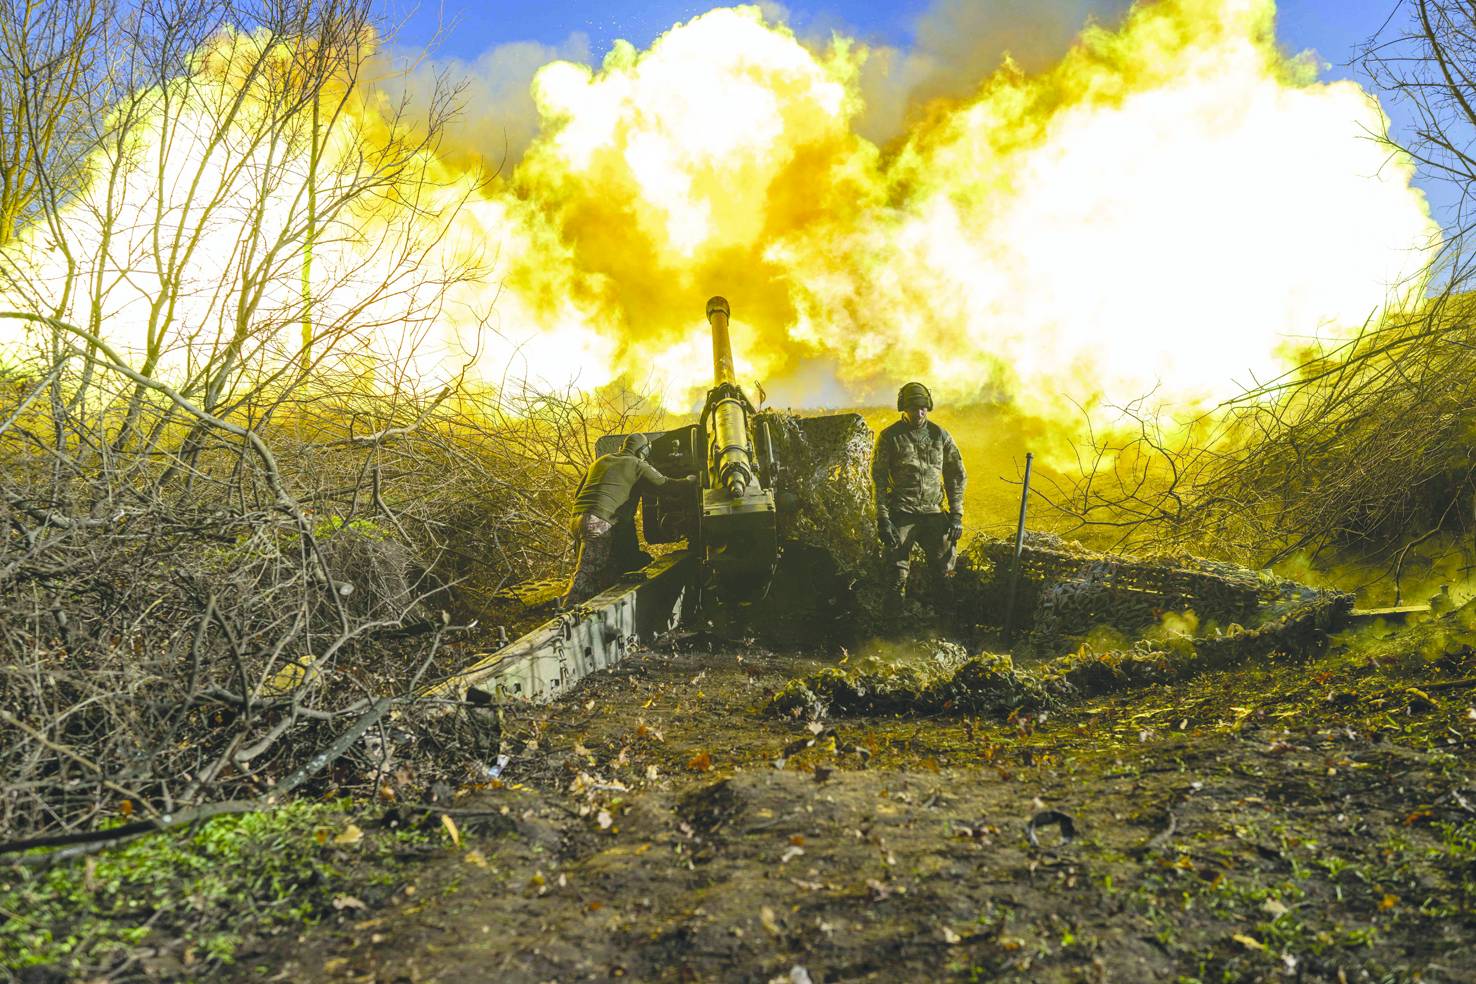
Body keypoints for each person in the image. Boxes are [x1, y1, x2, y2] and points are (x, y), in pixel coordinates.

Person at [561, 432, 695, 609]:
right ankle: (567, 611)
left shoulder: (601, 461)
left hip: (577, 519)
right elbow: (666, 485)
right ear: (642, 451)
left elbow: (578, 492)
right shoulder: (636, 464)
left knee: (606, 568)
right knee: (590, 570)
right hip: (598, 522)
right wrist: (689, 481)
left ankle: (587, 608)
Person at [871, 381, 967, 610]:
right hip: (902, 514)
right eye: (913, 408)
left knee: (945, 572)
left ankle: (945, 623)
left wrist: (956, 515)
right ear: (904, 408)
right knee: (897, 575)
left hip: (934, 513)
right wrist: (883, 518)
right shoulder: (890, 437)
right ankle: (893, 627)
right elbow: (879, 480)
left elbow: (956, 475)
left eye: (923, 408)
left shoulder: (939, 435)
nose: (919, 413)